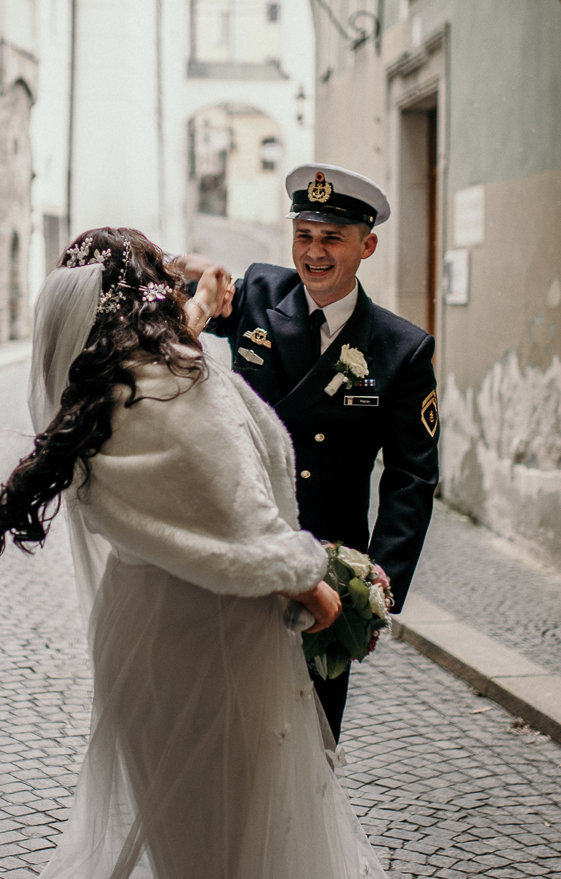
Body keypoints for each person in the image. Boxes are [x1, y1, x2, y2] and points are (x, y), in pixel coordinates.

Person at [0, 227, 557, 879]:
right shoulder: (177, 391)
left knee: (213, 865)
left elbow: (202, 497)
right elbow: (238, 532)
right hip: (217, 648)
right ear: (143, 299)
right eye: (162, 280)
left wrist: (193, 305)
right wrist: (324, 590)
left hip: (150, 651)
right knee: (263, 866)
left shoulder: (108, 392)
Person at [174, 164, 438, 742]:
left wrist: (380, 584)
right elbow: (159, 293)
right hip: (239, 547)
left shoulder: (402, 350)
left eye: (332, 239)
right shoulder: (259, 296)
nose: (314, 253)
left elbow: (411, 478)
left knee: (311, 736)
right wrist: (187, 269)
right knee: (226, 729)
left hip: (326, 568)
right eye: (304, 236)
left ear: (366, 245)